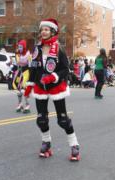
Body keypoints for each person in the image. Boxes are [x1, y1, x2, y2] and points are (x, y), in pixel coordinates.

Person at [24, 18, 80, 161]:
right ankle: (46, 143)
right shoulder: (37, 49)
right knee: (41, 119)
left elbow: (65, 70)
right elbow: (33, 68)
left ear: (52, 31)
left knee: (63, 120)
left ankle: (74, 145)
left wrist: (53, 77)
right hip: (40, 87)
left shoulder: (59, 49)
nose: (43, 32)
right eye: (42, 29)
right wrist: (29, 84)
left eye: (47, 29)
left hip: (56, 87)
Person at [13, 40, 31, 113]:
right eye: (19, 46)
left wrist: (30, 76)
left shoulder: (28, 54)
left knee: (24, 90)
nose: (19, 48)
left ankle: (27, 105)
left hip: (26, 72)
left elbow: (30, 66)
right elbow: (16, 63)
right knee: (17, 90)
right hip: (19, 72)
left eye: (21, 46)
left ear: (24, 47)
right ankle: (20, 104)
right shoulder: (17, 53)